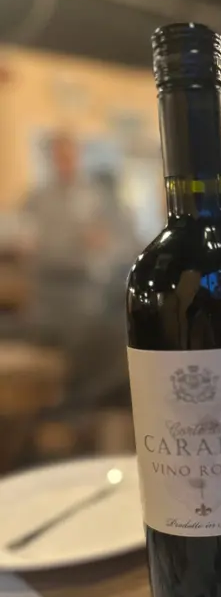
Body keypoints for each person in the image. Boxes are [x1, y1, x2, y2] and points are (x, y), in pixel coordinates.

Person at [21, 131, 140, 407]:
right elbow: (30, 245)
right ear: (51, 159)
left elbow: (125, 241)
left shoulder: (98, 197)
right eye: (59, 156)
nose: (65, 161)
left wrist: (105, 244)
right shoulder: (37, 200)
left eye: (70, 155)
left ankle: (91, 402)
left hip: (93, 293)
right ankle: (72, 404)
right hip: (51, 298)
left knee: (113, 332)